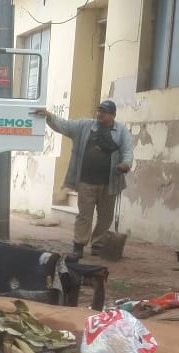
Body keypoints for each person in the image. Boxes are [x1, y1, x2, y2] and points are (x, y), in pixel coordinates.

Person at [33, 100, 132, 258]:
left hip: (110, 182)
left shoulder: (121, 131)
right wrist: (49, 116)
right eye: (99, 110)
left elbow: (127, 150)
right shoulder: (85, 126)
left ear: (113, 115)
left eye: (104, 112)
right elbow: (64, 125)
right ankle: (79, 244)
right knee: (85, 214)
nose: (100, 114)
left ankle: (98, 244)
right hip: (86, 181)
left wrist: (126, 164)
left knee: (106, 216)